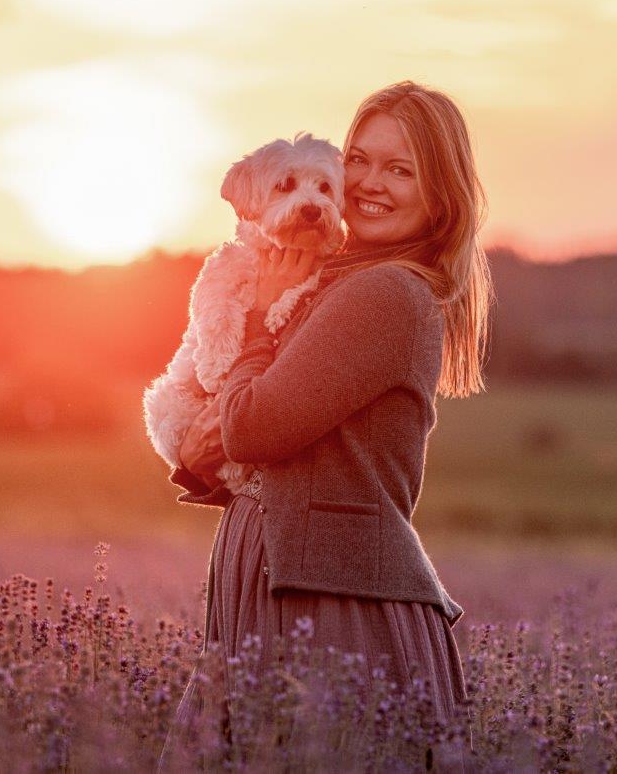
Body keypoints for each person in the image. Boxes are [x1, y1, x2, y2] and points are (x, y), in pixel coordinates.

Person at [158, 81, 493, 767]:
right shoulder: (339, 282)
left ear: (442, 196)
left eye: (401, 170)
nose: (369, 183)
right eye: (360, 160)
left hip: (337, 609)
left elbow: (251, 426)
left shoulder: (386, 293)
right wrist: (200, 449)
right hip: (292, 590)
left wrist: (259, 314)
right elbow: (292, 448)